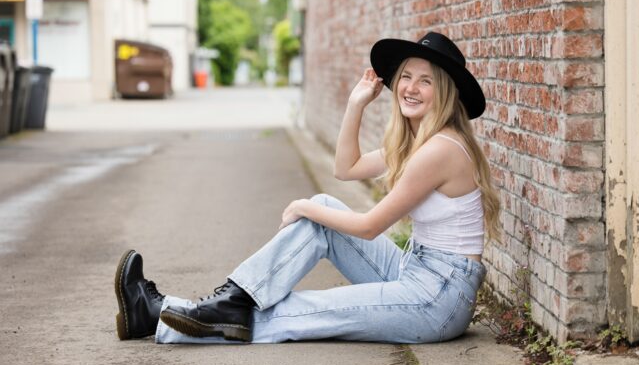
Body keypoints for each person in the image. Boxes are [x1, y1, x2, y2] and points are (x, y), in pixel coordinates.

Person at [114, 32, 500, 344]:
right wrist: (356, 104)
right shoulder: (419, 142)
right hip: (413, 270)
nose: (411, 88)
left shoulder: (440, 150)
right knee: (324, 205)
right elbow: (345, 168)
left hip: (437, 298)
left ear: (445, 92)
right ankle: (234, 298)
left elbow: (369, 227)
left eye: (426, 81)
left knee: (307, 309)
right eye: (406, 77)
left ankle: (163, 315)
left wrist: (302, 206)